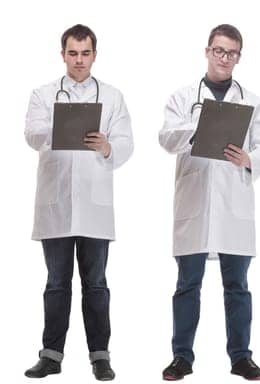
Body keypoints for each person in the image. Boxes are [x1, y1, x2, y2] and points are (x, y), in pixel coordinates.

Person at [156, 23, 260, 381]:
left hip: (234, 206)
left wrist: (249, 159)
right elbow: (165, 137)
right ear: (207, 51)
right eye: (219, 50)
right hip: (194, 203)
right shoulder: (182, 98)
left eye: (232, 53)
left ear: (239, 57)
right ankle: (182, 357)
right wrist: (197, 127)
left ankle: (241, 357)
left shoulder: (252, 102)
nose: (225, 58)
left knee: (237, 286)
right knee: (187, 284)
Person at [22, 24, 132, 381]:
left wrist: (107, 146)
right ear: (63, 54)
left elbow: (126, 142)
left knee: (96, 283)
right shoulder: (43, 94)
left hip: (95, 208)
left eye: (85, 53)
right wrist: (59, 127)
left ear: (94, 55)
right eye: (73, 53)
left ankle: (100, 356)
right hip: (56, 206)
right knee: (56, 283)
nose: (79, 60)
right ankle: (51, 356)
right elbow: (32, 133)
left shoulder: (112, 96)